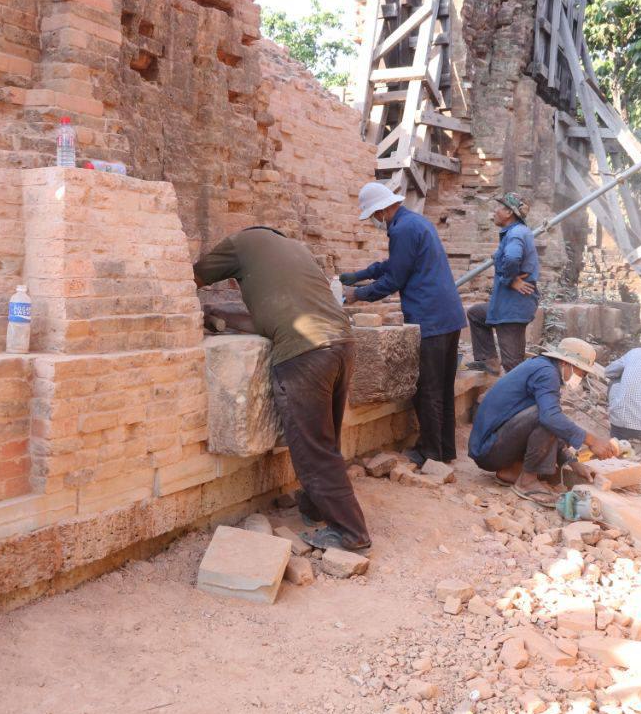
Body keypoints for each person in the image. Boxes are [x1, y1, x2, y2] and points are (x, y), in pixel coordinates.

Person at [194, 226, 370, 552]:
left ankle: (350, 532)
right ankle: (315, 507)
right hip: (341, 344)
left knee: (312, 448)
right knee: (325, 440)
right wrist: (221, 315)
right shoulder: (295, 251)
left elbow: (192, 278)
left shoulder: (238, 244)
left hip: (305, 354)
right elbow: (269, 321)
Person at [339, 182, 467, 467]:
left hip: (430, 317)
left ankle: (430, 452)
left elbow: (394, 279)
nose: (375, 221)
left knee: (428, 388)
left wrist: (356, 294)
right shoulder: (414, 222)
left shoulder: (402, 229)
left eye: (373, 215)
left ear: (381, 211)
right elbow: (394, 264)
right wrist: (359, 275)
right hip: (448, 315)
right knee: (443, 387)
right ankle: (444, 449)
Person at [468, 337, 619, 496]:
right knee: (550, 417)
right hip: (488, 450)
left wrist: (571, 462)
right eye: (582, 372)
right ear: (566, 363)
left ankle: (511, 471)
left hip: (492, 446)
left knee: (556, 421)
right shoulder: (547, 373)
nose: (582, 377)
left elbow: (551, 424)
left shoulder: (543, 368)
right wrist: (593, 441)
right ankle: (527, 482)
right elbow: (549, 419)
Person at [466, 192, 540, 375]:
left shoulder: (516, 233)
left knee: (512, 364)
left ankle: (523, 391)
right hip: (506, 305)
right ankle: (489, 361)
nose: (494, 212)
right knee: (476, 314)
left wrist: (510, 280)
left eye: (498, 208)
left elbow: (513, 258)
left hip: (512, 309)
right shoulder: (516, 232)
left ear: (509, 213)